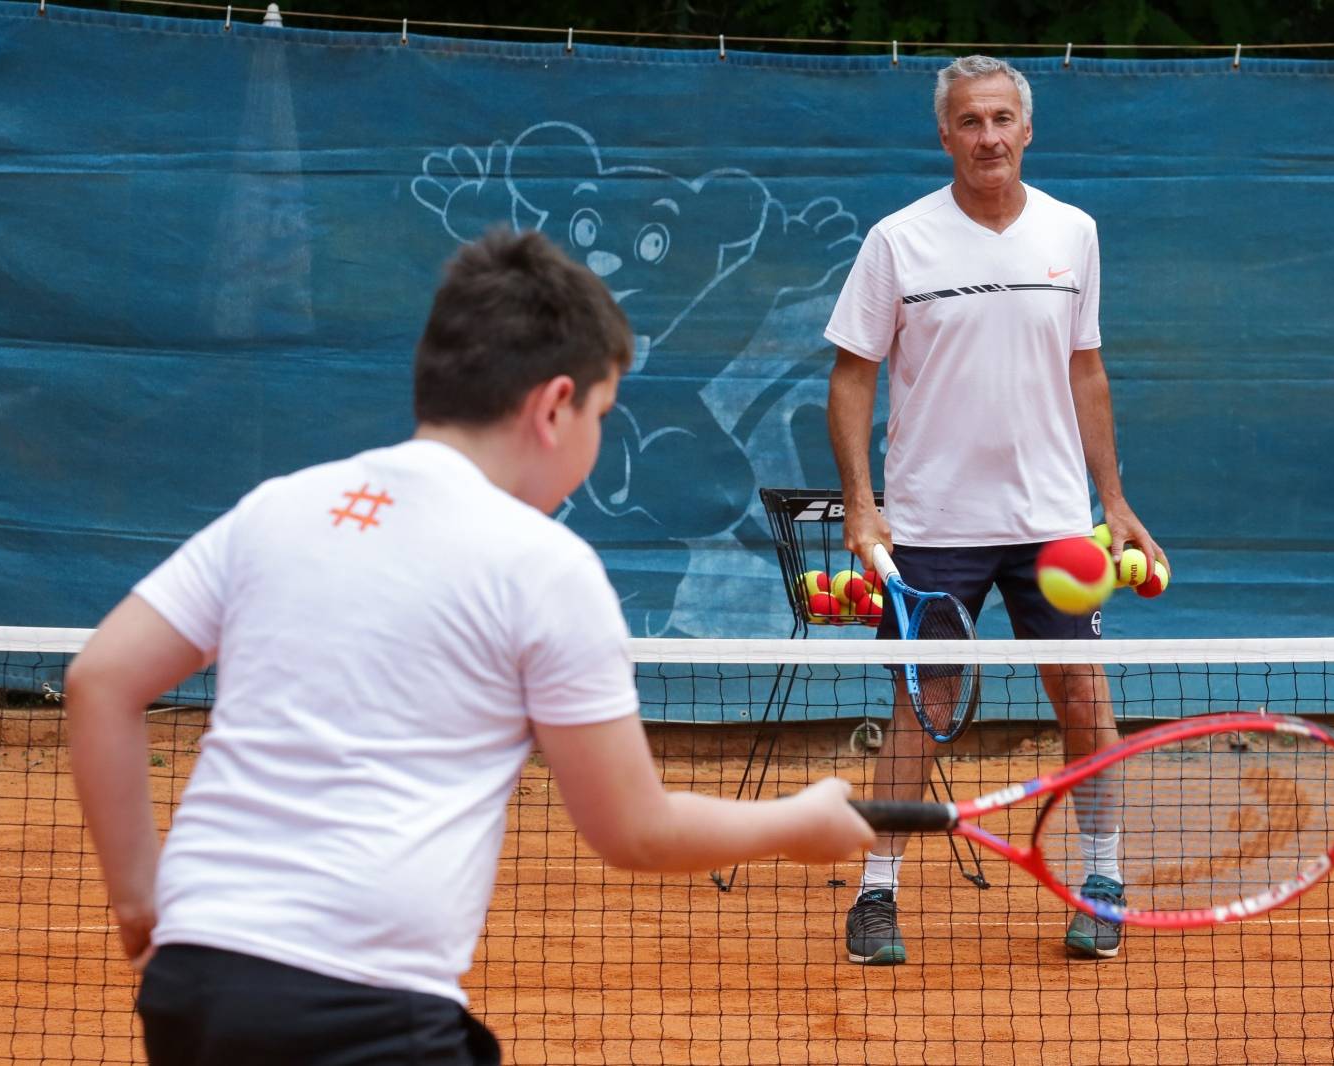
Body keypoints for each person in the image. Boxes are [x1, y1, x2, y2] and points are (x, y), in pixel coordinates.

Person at [65, 230, 876, 1065]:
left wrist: (139, 902)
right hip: (363, 1013)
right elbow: (635, 832)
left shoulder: (279, 506)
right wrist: (794, 823)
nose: (598, 438)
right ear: (554, 405)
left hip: (192, 986)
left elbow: (101, 680)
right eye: (601, 414)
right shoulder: (546, 567)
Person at [824, 55, 1166, 964]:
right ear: (945, 134)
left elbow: (1084, 369)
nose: (988, 137)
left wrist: (1115, 501)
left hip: (1053, 523)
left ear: (1027, 130)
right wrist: (865, 508)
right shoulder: (899, 241)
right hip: (934, 523)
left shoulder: (1074, 233)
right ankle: (876, 896)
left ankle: (1102, 882)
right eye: (969, 121)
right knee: (921, 708)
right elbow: (852, 377)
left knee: (1082, 693)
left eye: (1002, 119)